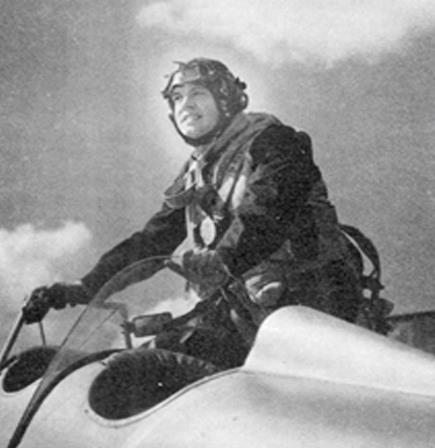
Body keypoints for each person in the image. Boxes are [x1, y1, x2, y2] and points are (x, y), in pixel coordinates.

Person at [23, 57, 366, 371]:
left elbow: (268, 208)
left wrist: (225, 259)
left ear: (227, 99)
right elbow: (150, 242)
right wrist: (83, 288)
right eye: (176, 98)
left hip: (307, 304)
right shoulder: (194, 176)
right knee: (144, 368)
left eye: (198, 93)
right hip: (241, 310)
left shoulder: (274, 141)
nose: (186, 105)